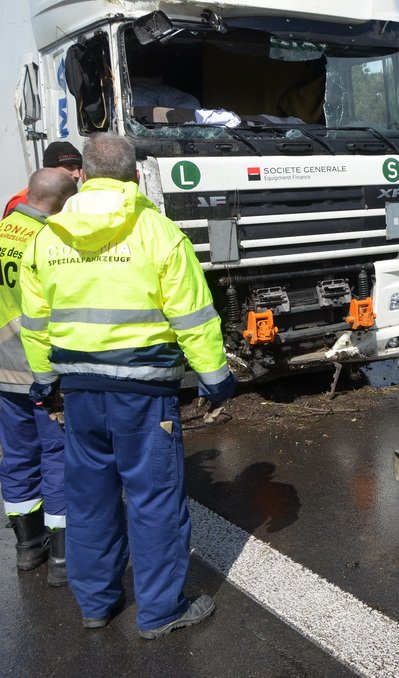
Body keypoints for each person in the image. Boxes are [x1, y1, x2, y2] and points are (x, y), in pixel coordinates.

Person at [18, 133, 236, 638]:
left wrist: (46, 383)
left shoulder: (47, 239)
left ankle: (96, 604)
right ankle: (160, 611)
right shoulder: (160, 234)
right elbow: (195, 319)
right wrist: (214, 378)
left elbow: (36, 323)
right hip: (144, 395)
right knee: (154, 500)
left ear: (84, 176)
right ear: (135, 177)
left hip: (78, 393)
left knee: (90, 501)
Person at [0, 168, 77, 586]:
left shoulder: (2, 230)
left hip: (1, 370)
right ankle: (63, 556)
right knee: (58, 456)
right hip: (39, 369)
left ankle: (28, 547)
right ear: (63, 202)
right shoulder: (48, 242)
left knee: (16, 456)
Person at [3, 141, 83, 218]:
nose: (77, 175)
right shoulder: (22, 201)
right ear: (49, 169)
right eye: (69, 167)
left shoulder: (77, 198)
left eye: (79, 168)